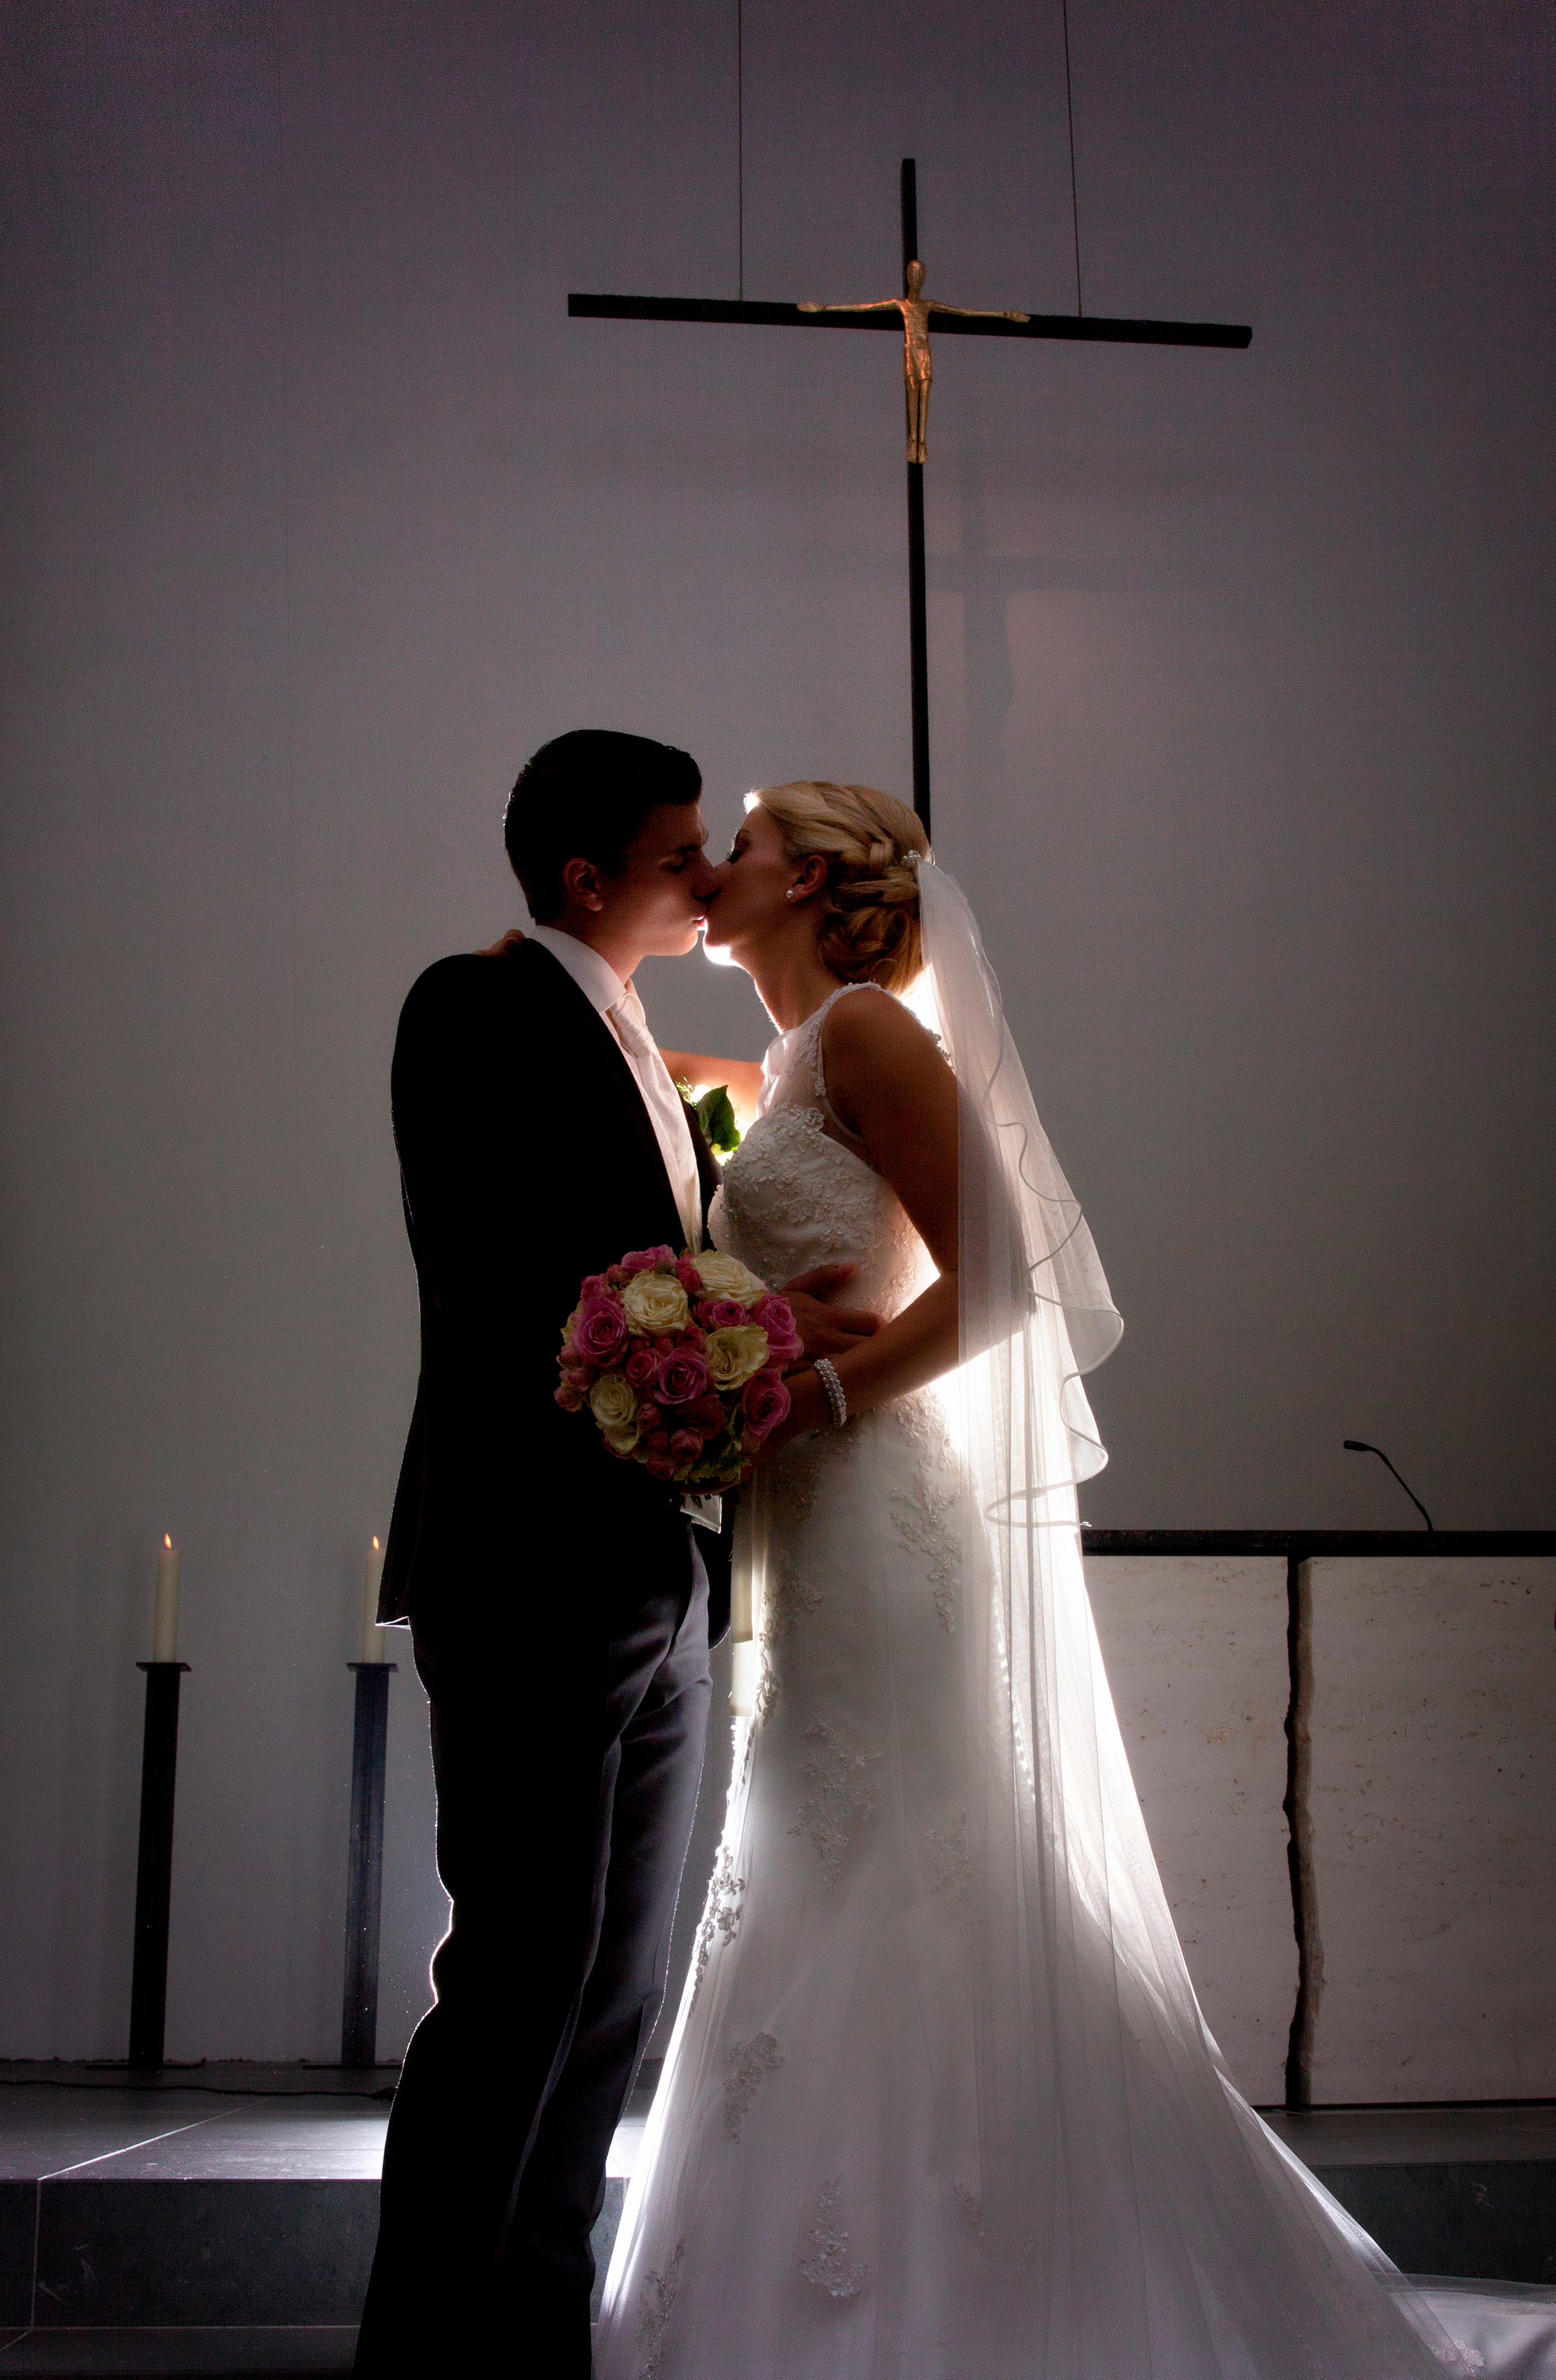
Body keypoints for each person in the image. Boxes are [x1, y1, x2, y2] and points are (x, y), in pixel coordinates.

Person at [594, 780, 1497, 2378]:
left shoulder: (875, 1034)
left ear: (806, 876)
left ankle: (949, 2282)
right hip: (809, 1510)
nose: (715, 873)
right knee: (821, 1837)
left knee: (899, 1846)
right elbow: (667, 1097)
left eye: (737, 843)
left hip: (875, 1496)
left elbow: (1007, 1278)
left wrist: (816, 1392)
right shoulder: (801, 1059)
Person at [353, 733, 881, 2378]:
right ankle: (423, 2360)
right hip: (527, 1567)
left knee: (605, 2004)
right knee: (516, 1983)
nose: (711, 872)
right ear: (592, 880)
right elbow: (521, 1286)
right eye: (682, 850)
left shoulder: (658, 1045)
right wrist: (750, 1324)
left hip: (658, 1576)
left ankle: (535, 2348)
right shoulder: (477, 1008)